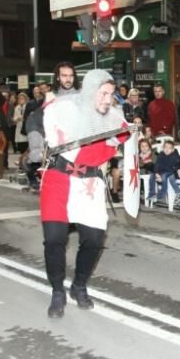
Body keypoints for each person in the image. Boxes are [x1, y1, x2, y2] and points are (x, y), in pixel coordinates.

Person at [40, 65, 127, 318]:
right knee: (54, 239)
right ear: (89, 92)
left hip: (89, 185)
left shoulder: (113, 119)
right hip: (59, 178)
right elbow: (43, 122)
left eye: (110, 94)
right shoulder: (64, 109)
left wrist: (130, 132)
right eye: (102, 93)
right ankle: (57, 290)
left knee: (93, 241)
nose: (106, 99)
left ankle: (79, 286)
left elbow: (124, 136)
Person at [154, 138, 179, 205]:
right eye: (165, 147)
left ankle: (163, 191)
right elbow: (157, 165)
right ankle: (178, 192)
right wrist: (157, 173)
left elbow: (176, 163)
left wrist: (172, 153)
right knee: (164, 176)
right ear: (162, 148)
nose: (167, 149)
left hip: (173, 172)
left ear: (173, 149)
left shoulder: (174, 155)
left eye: (169, 148)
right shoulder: (161, 155)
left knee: (167, 177)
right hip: (164, 173)